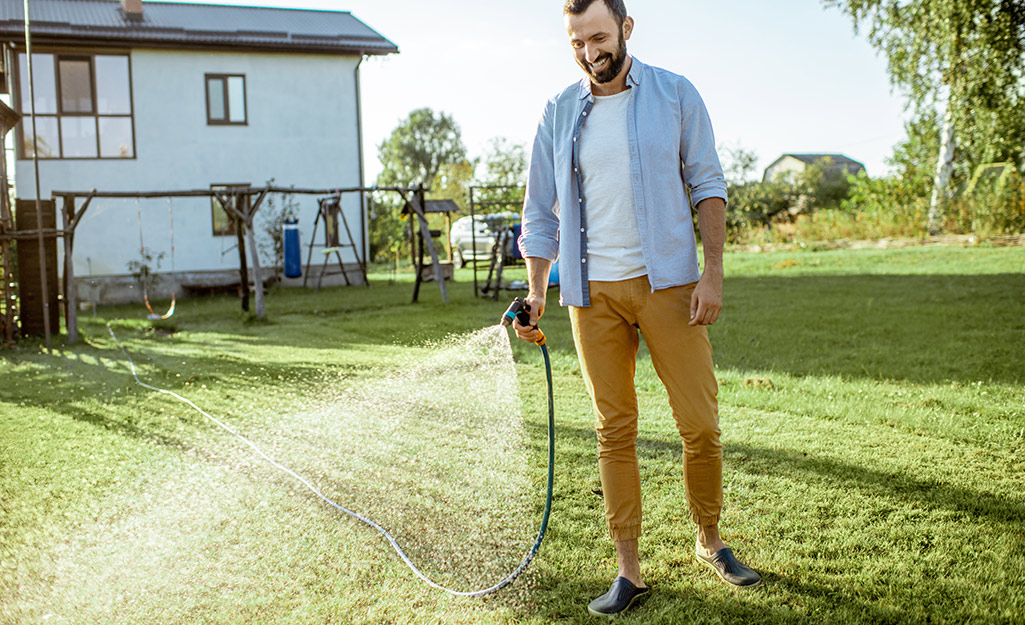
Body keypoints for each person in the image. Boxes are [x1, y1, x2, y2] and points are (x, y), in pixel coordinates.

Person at [514, 0, 761, 617]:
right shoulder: (558, 110)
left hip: (669, 286)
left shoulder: (676, 94)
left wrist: (713, 274)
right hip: (591, 294)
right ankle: (628, 570)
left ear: (626, 28)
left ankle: (709, 539)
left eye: (598, 36)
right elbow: (539, 212)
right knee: (613, 430)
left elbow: (708, 183)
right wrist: (539, 291)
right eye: (576, 41)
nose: (589, 51)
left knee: (699, 425)